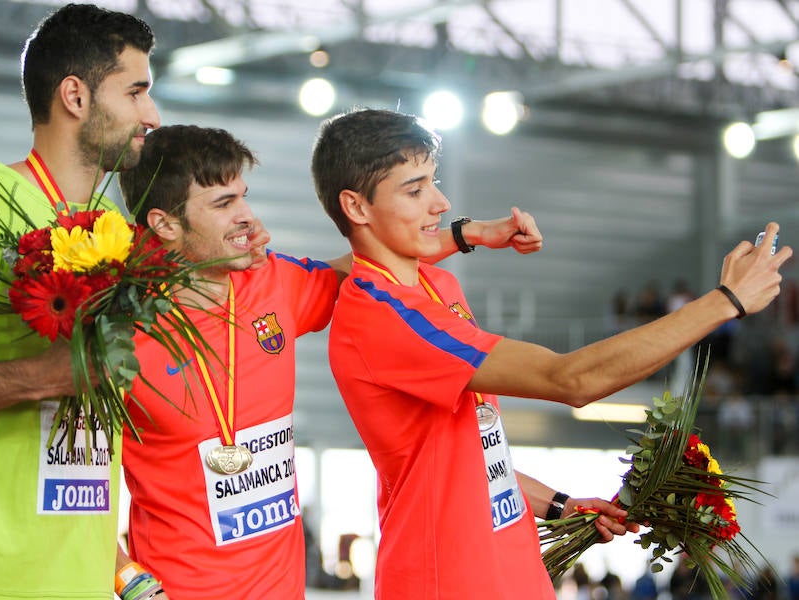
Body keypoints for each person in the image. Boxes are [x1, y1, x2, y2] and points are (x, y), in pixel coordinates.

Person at [310, 107, 790, 600]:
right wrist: (724, 302)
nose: (440, 202)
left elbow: (467, 458)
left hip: (510, 570)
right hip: (448, 579)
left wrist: (560, 504)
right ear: (356, 206)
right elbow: (571, 381)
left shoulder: (437, 283)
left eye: (434, 181)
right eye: (415, 190)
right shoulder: (381, 315)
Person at [115, 124, 544, 599]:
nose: (247, 217)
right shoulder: (117, 334)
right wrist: (132, 585)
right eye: (223, 204)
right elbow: (78, 475)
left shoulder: (273, 282)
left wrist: (470, 234)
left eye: (243, 196)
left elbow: (368, 262)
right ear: (165, 224)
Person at [0, 4, 161, 599]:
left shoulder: (110, 230)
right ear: (75, 95)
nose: (152, 114)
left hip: (77, 583)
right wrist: (41, 377)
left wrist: (119, 571)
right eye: (137, 91)